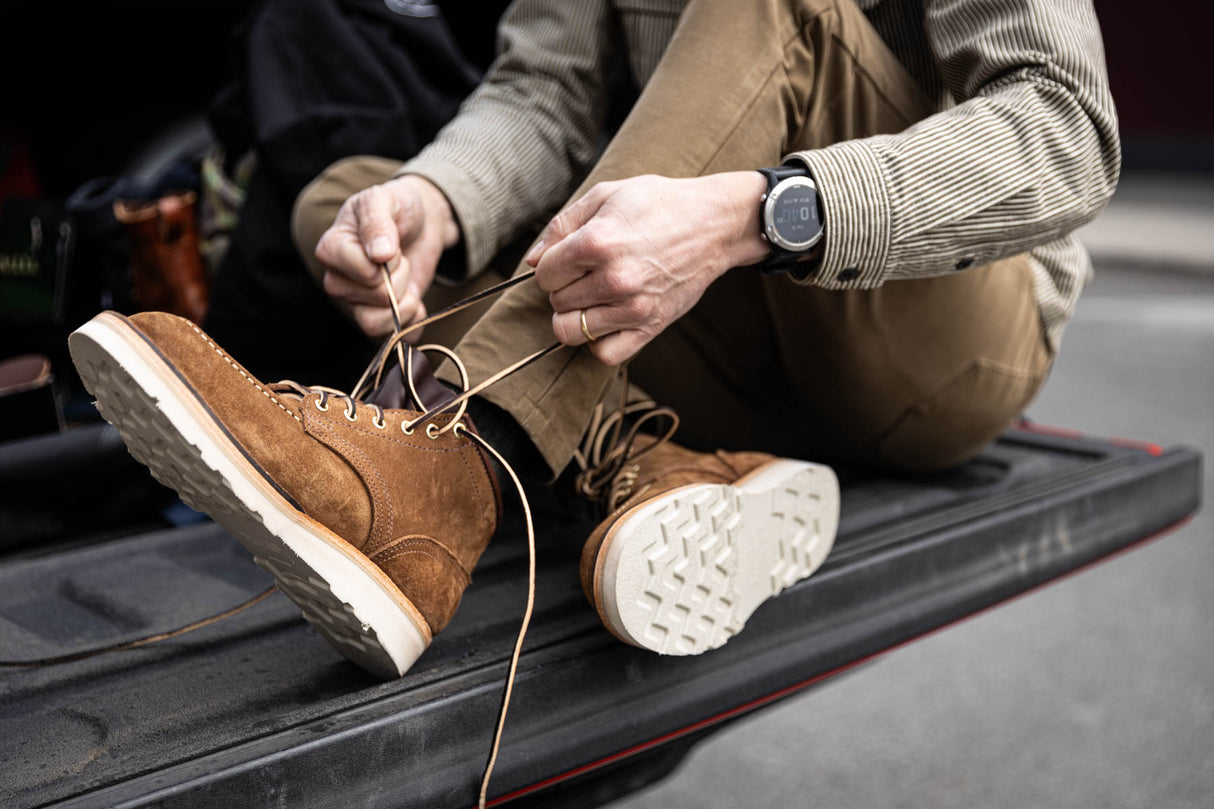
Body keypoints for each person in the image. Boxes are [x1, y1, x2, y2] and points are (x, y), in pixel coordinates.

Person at [71, 0, 1117, 715]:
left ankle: (451, 477)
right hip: (726, 327)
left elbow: (1065, 126)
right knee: (344, 197)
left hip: (937, 343)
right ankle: (648, 454)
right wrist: (435, 200)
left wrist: (757, 212)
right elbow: (545, 94)